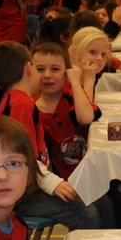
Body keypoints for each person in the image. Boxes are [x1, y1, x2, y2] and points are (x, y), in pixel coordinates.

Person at [0, 40, 105, 233]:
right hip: (22, 196)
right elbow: (24, 157)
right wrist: (52, 183)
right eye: (38, 68)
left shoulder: (13, 99)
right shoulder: (22, 104)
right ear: (29, 68)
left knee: (98, 201)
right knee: (87, 213)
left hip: (26, 187)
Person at [33, 40, 98, 180]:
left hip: (87, 175)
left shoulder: (72, 98)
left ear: (67, 72)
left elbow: (86, 118)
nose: (47, 75)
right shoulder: (33, 109)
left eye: (55, 69)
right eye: (40, 69)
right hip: (57, 182)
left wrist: (75, 81)